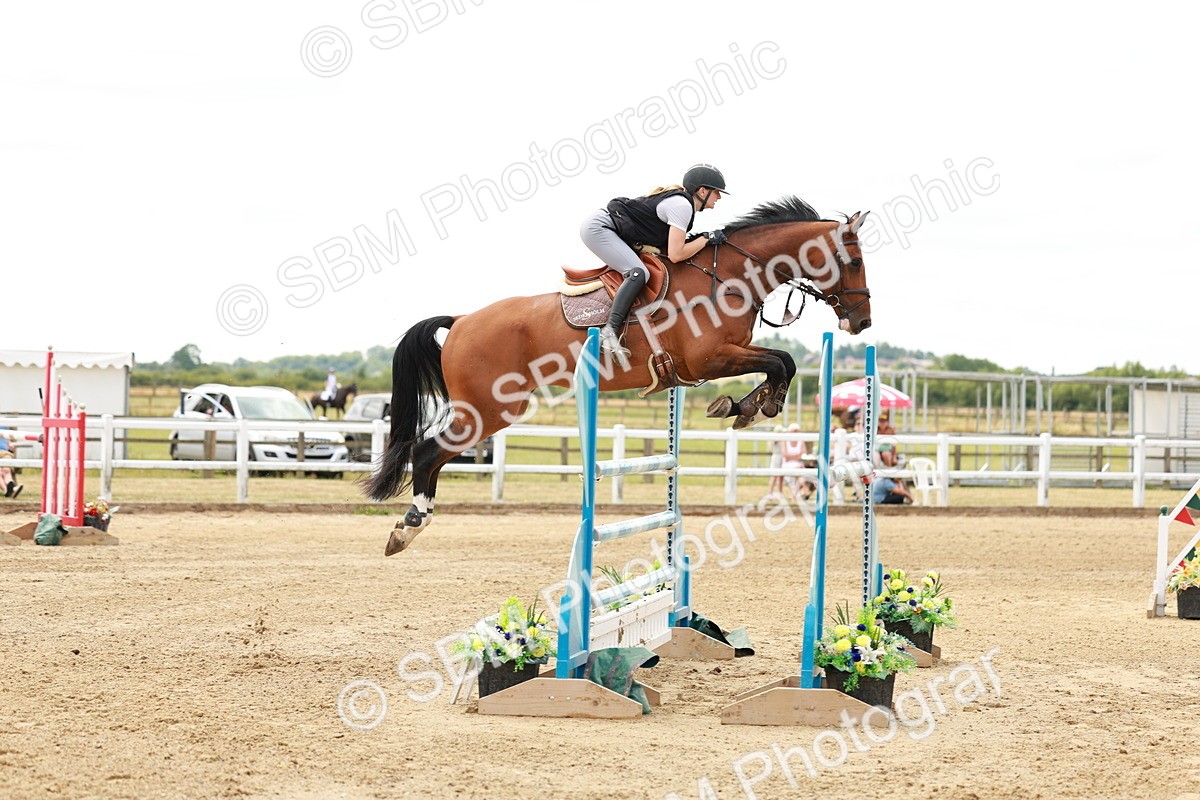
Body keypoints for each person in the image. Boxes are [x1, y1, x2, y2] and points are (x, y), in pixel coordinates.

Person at [580, 164, 728, 367]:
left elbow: (670, 250)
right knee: (638, 273)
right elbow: (676, 255)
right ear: (702, 191)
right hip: (600, 228)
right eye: (717, 192)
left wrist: (704, 239)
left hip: (607, 228)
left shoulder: (682, 205)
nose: (719, 198)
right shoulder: (682, 206)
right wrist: (707, 239)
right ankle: (609, 332)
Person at [780, 423, 815, 500]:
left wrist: (792, 456)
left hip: (798, 464)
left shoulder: (800, 442)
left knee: (799, 469)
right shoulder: (785, 441)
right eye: (794, 431)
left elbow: (803, 454)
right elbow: (785, 456)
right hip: (787, 465)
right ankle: (805, 488)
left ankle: (795, 495)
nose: (796, 432)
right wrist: (797, 456)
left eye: (797, 431)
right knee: (799, 470)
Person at [1, 428, 26, 499]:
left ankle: (11, 489)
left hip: (5, 452)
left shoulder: (4, 425)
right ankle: (7, 490)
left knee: (6, 470)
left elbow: (9, 438)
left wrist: (10, 443)